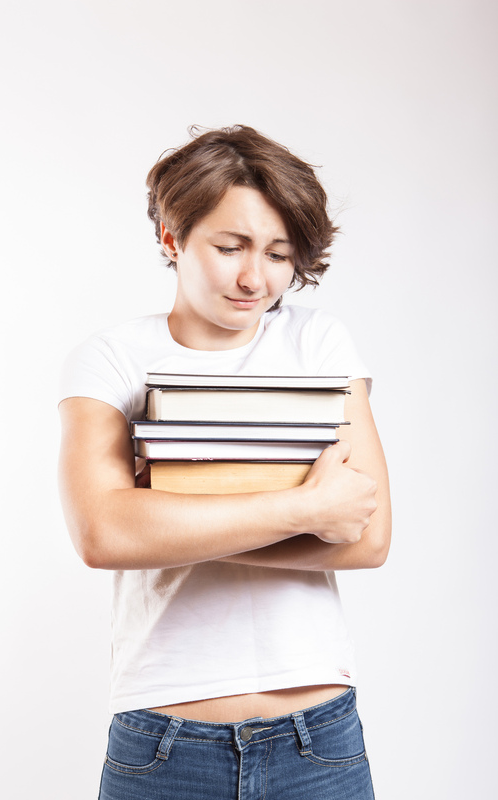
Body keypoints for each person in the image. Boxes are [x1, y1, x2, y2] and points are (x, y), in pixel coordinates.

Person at [58, 125, 391, 800]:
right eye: (229, 246)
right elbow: (104, 535)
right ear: (172, 238)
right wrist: (303, 509)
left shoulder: (318, 341)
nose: (254, 278)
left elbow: (368, 537)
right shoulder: (112, 357)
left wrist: (168, 520)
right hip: (163, 742)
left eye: (276, 253)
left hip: (316, 740)